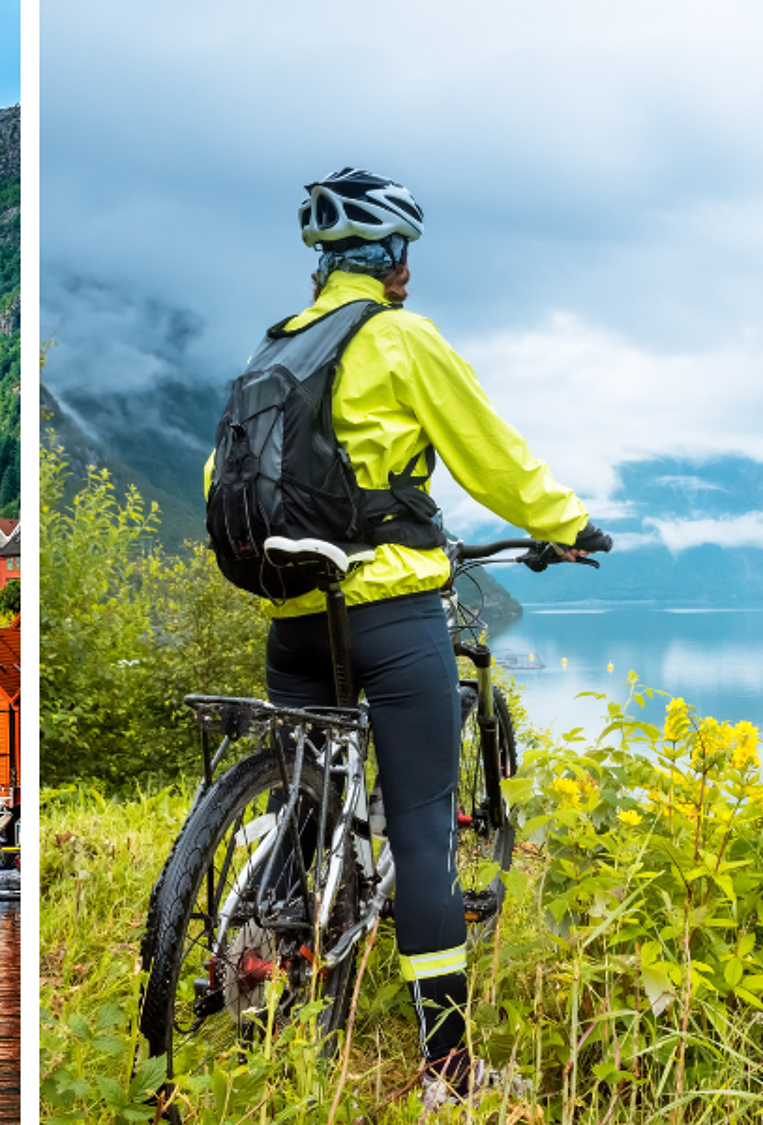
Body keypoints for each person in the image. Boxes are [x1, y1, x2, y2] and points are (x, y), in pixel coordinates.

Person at [213, 168, 609, 1099]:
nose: (407, 272)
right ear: (389, 257)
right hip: (390, 616)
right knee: (426, 832)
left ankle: (264, 964)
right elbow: (491, 452)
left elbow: (218, 483)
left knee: (309, 808)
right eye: (405, 257)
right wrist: (563, 521)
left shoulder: (275, 355)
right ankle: (450, 1070)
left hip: (294, 618)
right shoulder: (399, 340)